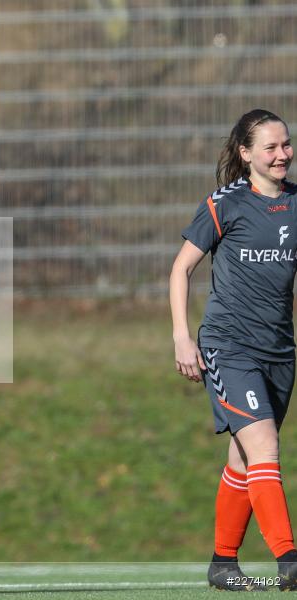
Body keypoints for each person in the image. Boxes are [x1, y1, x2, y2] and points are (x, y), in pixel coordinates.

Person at [170, 108, 297, 591]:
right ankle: (289, 557)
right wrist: (183, 336)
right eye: (270, 147)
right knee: (264, 446)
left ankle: (223, 562)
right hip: (228, 348)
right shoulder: (226, 204)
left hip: (279, 354)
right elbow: (181, 269)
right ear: (246, 154)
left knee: (245, 460)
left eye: (286, 144)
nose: (282, 154)